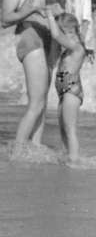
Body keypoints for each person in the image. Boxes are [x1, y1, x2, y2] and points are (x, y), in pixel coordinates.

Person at [1, 0, 50, 150]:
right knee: (36, 102)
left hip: (42, 37)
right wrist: (30, 9)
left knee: (43, 101)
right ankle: (19, 149)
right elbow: (5, 18)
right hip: (29, 39)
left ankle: (36, 146)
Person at [47, 11, 91, 164]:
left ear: (69, 31)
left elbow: (56, 35)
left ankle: (74, 159)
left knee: (70, 128)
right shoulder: (68, 49)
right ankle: (67, 155)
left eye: (62, 31)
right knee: (63, 129)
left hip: (72, 90)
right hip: (63, 91)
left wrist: (49, 14)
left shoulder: (77, 47)